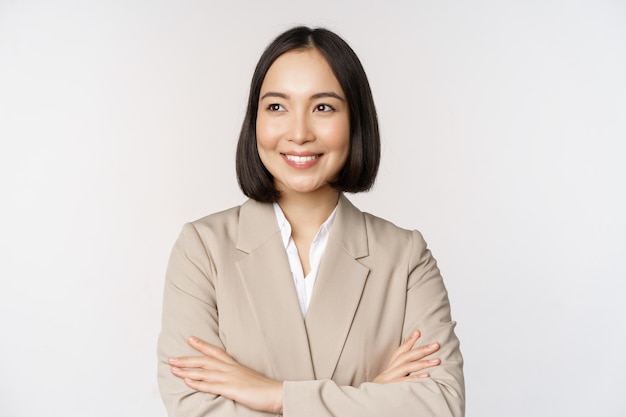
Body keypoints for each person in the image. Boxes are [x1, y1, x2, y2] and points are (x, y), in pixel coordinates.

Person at [157, 26, 464, 417]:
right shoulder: (202, 249)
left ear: (356, 120)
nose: (299, 133)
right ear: (255, 122)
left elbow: (440, 406)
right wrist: (373, 396)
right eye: (277, 107)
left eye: (323, 107)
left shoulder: (405, 257)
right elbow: (194, 408)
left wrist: (275, 395)